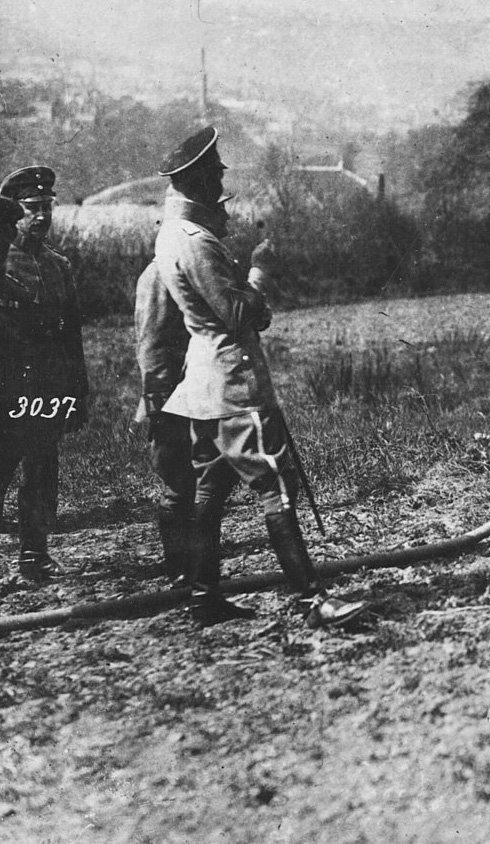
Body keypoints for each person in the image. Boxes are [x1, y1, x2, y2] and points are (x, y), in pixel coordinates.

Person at [152, 125, 364, 627]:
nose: (221, 178)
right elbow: (239, 314)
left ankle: (204, 596)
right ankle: (312, 599)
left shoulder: (172, 234)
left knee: (209, 490)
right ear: (197, 179)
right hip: (235, 385)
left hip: (203, 389)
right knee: (277, 486)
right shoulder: (197, 242)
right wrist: (260, 275)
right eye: (215, 172)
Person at [0, 168, 89, 583]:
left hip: (47, 385)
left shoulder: (57, 265)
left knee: (42, 467)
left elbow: (72, 333)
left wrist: (78, 391)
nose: (42, 216)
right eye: (33, 209)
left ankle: (35, 554)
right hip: (8, 385)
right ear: (15, 215)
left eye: (47, 207)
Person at [134, 255, 239, 585]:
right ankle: (180, 569)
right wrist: (158, 402)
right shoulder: (160, 272)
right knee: (180, 481)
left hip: (203, 388)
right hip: (173, 392)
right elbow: (152, 342)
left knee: (206, 478)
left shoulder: (197, 263)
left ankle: (198, 569)